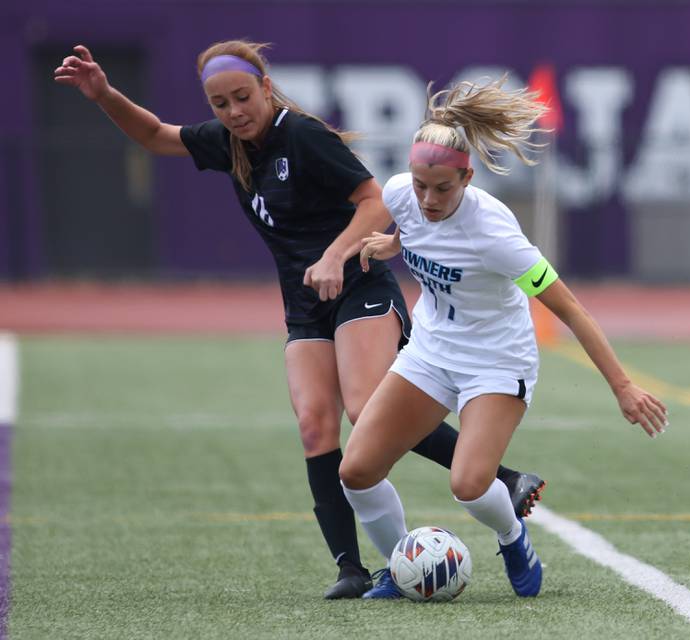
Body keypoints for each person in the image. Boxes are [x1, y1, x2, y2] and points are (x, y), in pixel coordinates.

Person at [53, 41, 548, 599]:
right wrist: (103, 94)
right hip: (304, 303)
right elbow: (154, 136)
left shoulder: (303, 137)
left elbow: (371, 201)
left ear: (266, 87)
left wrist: (336, 255)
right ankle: (360, 568)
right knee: (316, 425)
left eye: (243, 97)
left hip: (359, 283)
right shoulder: (229, 143)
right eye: (220, 104)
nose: (234, 112)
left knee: (364, 409)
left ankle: (500, 479)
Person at [339, 76, 669, 599]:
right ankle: (403, 572)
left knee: (469, 485)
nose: (428, 198)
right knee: (355, 471)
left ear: (467, 177)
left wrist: (623, 387)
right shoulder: (403, 193)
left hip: (496, 362)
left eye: (443, 188)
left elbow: (572, 310)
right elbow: (414, 225)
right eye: (421, 185)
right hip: (430, 351)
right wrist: (391, 242)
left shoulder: (496, 235)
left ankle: (513, 536)